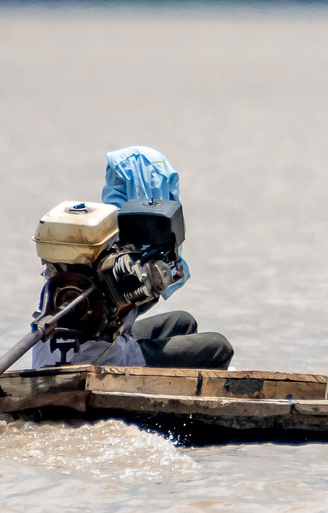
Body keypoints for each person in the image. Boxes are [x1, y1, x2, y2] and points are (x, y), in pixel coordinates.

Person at [29, 145, 233, 370]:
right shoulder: (121, 258)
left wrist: (152, 289)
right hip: (98, 359)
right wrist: (152, 284)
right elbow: (115, 309)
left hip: (50, 354)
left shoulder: (91, 241)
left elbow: (114, 310)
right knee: (219, 347)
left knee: (182, 322)